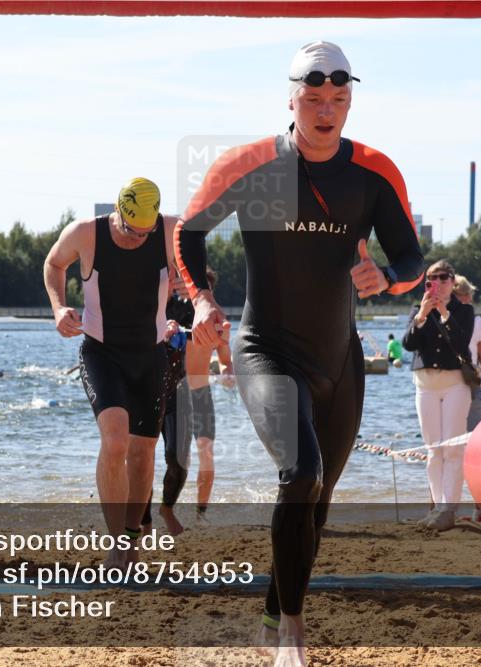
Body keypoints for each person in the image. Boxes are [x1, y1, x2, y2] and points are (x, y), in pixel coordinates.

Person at [175, 41, 424, 666]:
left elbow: (411, 259)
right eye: (314, 98)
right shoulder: (252, 165)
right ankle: (292, 634)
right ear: (292, 101)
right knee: (301, 473)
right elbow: (188, 231)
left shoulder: (374, 172)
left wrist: (388, 278)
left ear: (350, 102)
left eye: (338, 98)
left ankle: (271, 610)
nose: (326, 109)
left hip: (340, 361)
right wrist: (201, 301)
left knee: (318, 501)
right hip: (266, 351)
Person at [44, 177, 181, 570]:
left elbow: (197, 264)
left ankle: (132, 540)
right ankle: (118, 543)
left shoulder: (171, 229)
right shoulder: (86, 233)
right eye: (132, 230)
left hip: (151, 356)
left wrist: (190, 284)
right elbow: (54, 264)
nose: (139, 238)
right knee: (116, 440)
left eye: (146, 232)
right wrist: (59, 307)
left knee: (142, 453)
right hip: (101, 353)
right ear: (118, 212)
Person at [157, 267, 233, 535]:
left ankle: (201, 514)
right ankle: (155, 510)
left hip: (200, 394)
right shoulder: (174, 312)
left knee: (206, 455)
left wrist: (227, 373)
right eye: (194, 289)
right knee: (173, 455)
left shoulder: (215, 322)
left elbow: (225, 360)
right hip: (170, 392)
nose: (199, 296)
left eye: (205, 291)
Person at [402, 260, 475, 532]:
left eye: (444, 278)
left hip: (455, 383)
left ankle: (448, 509)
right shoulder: (417, 309)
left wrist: (444, 312)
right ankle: (437, 507)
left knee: (453, 448)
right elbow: (408, 344)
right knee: (433, 449)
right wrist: (422, 316)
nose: (438, 283)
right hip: (425, 384)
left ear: (453, 282)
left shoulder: (464, 311)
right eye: (432, 278)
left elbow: (461, 343)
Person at [452, 276, 481, 431]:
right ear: (466, 296)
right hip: (471, 380)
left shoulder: (438, 319)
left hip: (444, 380)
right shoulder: (477, 322)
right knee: (473, 435)